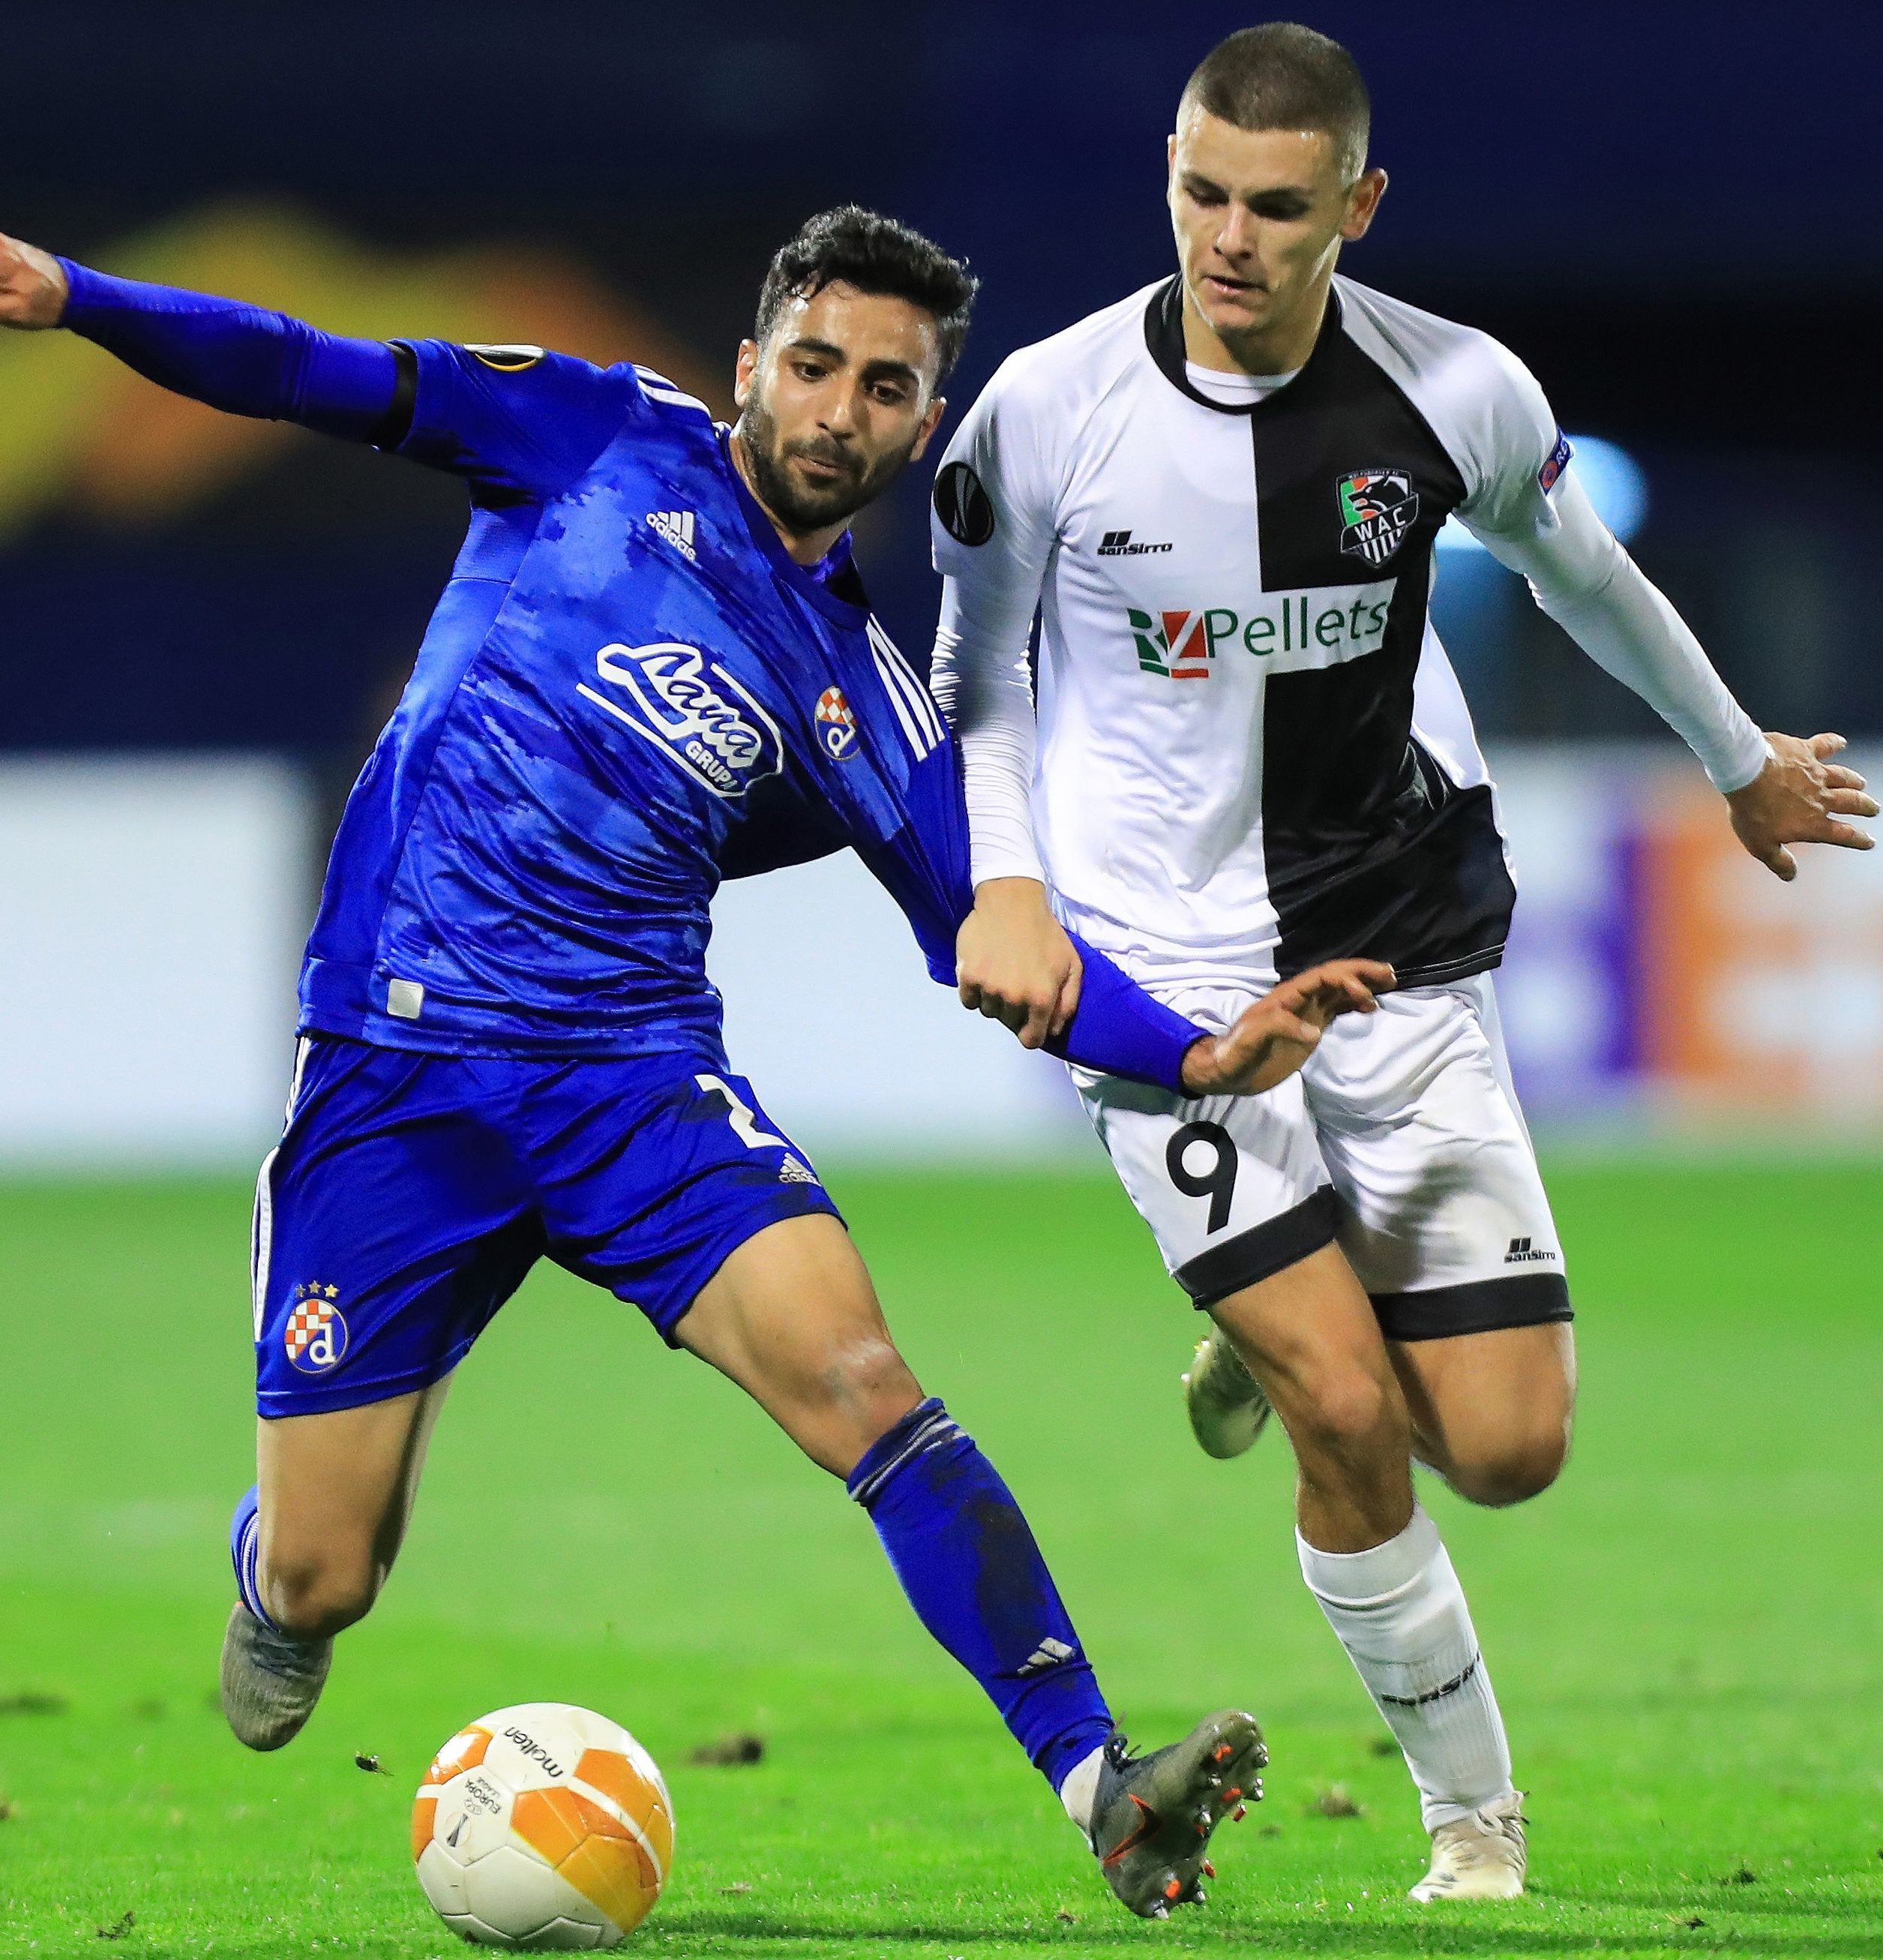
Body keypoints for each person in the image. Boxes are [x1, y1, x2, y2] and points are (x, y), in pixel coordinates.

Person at [0, 206, 1391, 1918]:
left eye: (885, 387)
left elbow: (998, 948)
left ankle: (1100, 1781)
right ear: (750, 364)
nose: (838, 409)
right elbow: (308, 370)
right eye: (813, 365)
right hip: (401, 1070)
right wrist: (76, 299)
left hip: (631, 1081)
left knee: (868, 1380)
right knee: (323, 1566)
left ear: (917, 420)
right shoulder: (591, 433)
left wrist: (1198, 1046)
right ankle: (275, 1583)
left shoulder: (864, 694)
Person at [928, 23, 1881, 1902]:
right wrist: (1007, 887)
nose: (1226, 235)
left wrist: (1736, 759)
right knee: (1351, 1417)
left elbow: (1578, 574)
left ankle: (1273, 1320)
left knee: (1509, 1449)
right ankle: (1471, 1819)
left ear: (1353, 208)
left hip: (1395, 943)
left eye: (1275, 207)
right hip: (1164, 984)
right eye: (1199, 190)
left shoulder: (1454, 392)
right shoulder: (1040, 413)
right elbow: (975, 683)